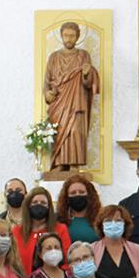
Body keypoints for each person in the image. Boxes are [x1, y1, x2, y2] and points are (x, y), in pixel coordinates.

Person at [43, 21, 100, 170]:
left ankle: (75, 163)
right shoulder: (54, 57)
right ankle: (59, 163)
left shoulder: (83, 55)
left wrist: (87, 74)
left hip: (76, 99)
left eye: (72, 36)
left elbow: (88, 83)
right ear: (61, 36)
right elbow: (47, 80)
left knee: (75, 131)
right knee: (59, 130)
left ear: (77, 37)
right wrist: (47, 93)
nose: (69, 39)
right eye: (66, 35)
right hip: (59, 101)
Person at [14, 187, 72, 276]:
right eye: (35, 202)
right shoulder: (17, 231)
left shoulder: (60, 229)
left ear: (49, 207)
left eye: (43, 203)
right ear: (28, 206)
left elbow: (67, 260)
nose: (39, 205)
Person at [93, 205, 139, 278]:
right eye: (108, 220)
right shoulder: (91, 250)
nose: (113, 224)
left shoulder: (138, 250)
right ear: (101, 225)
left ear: (125, 224)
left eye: (118, 220)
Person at [57, 173, 102, 244]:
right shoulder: (59, 220)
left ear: (89, 195)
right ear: (67, 198)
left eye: (81, 192)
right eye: (73, 193)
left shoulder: (100, 218)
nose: (77, 195)